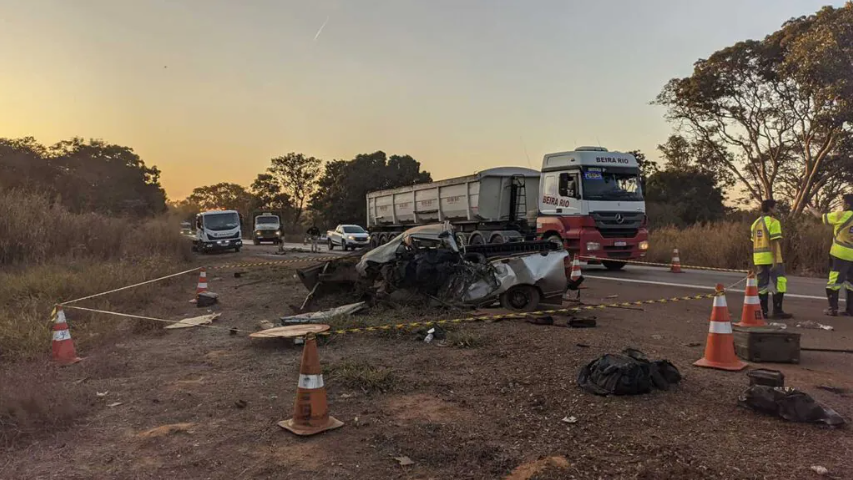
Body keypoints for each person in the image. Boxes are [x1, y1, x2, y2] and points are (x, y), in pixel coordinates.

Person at [807, 194, 853, 316]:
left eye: (843, 203)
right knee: (851, 283)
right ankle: (850, 310)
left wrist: (811, 208)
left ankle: (833, 309)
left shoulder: (841, 215)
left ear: (847, 205)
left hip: (840, 253)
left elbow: (820, 216)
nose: (841, 205)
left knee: (833, 281)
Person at [751, 199, 792, 319]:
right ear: (770, 208)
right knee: (780, 282)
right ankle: (777, 310)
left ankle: (763, 311)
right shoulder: (773, 222)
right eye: (775, 207)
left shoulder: (755, 223)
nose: (777, 209)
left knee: (762, 285)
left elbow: (754, 242)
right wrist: (775, 259)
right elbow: (774, 242)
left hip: (759, 258)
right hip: (772, 258)